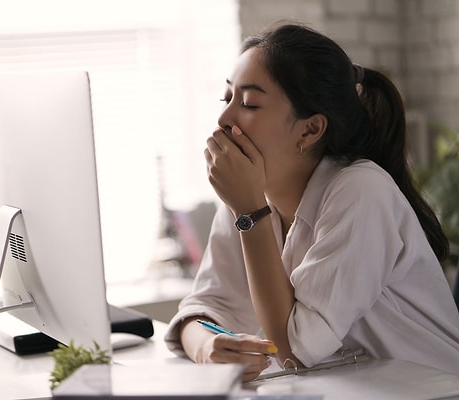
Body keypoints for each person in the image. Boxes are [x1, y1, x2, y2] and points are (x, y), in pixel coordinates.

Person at [164, 22, 459, 382]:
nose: (224, 119)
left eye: (249, 103)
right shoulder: (246, 196)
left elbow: (292, 351)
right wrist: (207, 348)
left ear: (310, 130)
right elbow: (201, 309)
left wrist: (249, 214)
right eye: (226, 99)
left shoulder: (361, 191)